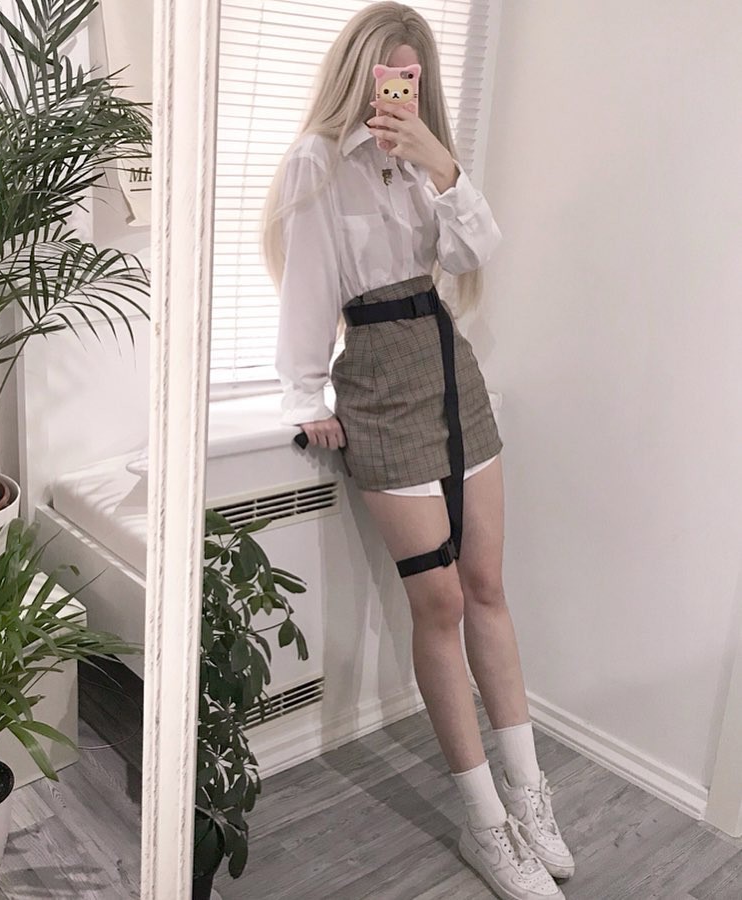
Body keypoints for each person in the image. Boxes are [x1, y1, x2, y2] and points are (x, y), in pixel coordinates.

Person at [260, 3, 576, 898]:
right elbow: (307, 286)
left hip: (451, 369)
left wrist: (444, 165)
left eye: (410, 72)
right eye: (385, 70)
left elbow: (476, 252)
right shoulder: (317, 161)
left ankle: (530, 798)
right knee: (438, 601)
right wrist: (302, 398)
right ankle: (486, 823)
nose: (396, 86)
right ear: (356, 70)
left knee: (488, 587)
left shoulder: (428, 161)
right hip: (377, 380)